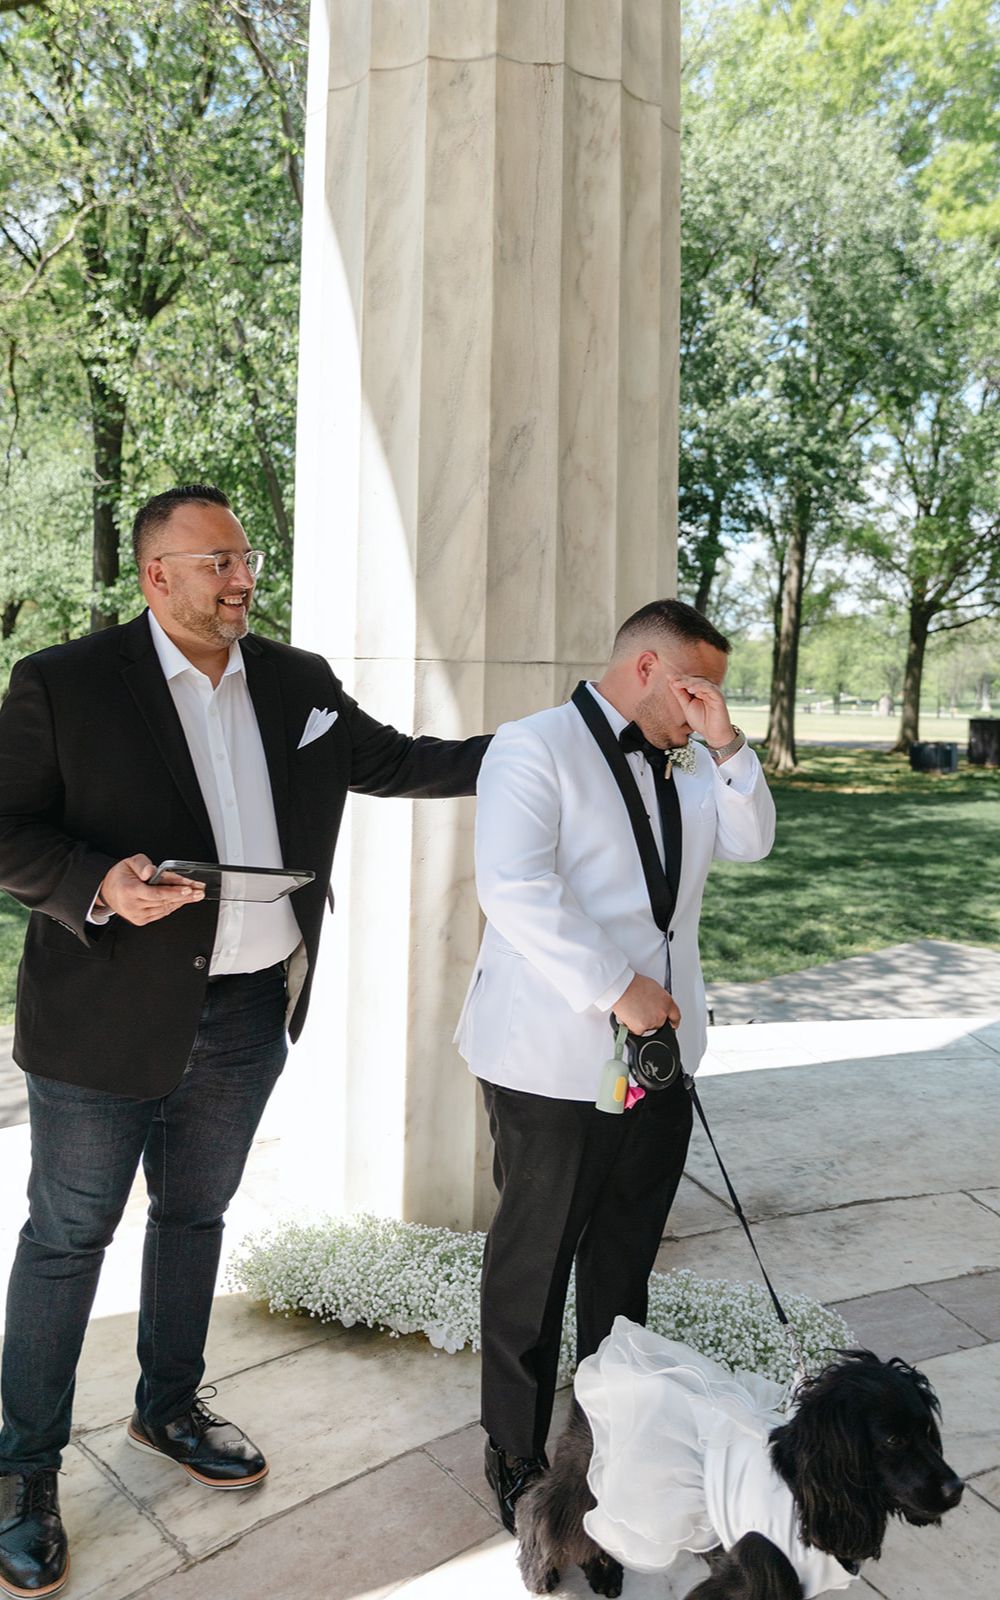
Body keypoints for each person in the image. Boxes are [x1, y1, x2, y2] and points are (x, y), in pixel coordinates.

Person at [0, 483, 490, 1598]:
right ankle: (22, 1469)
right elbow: (6, 824)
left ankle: (168, 1406)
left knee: (195, 1216)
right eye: (215, 561)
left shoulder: (297, 683)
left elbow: (403, 760)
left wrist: (557, 738)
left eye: (245, 556)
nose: (240, 577)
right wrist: (97, 883)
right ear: (154, 576)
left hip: (248, 1009)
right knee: (69, 1237)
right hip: (103, 1020)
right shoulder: (63, 683)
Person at [454, 598, 776, 1533]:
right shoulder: (533, 746)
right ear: (646, 668)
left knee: (626, 1257)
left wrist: (723, 742)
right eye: (695, 690)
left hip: (663, 1061)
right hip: (551, 1059)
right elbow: (515, 888)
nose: (702, 706)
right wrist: (615, 986)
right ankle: (512, 1450)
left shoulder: (689, 764)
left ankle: (605, 1428)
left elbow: (752, 838)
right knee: (534, 1260)